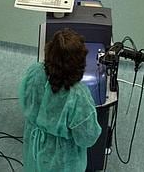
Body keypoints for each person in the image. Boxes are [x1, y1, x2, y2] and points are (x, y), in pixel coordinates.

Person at [19, 28, 101, 172]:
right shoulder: (78, 96)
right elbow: (87, 137)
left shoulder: (34, 72)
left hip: (34, 146)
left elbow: (25, 102)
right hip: (63, 160)